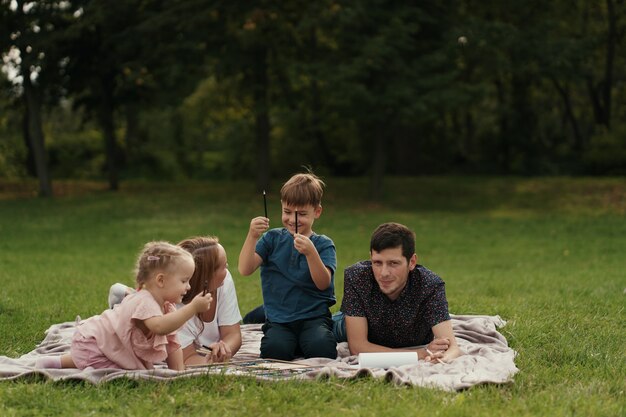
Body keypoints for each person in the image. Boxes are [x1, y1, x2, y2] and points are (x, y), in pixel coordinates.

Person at [36, 241, 213, 371]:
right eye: (184, 281)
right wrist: (193, 308)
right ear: (161, 280)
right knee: (118, 368)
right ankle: (58, 362)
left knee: (111, 359)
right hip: (95, 342)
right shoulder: (144, 301)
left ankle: (55, 362)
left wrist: (178, 374)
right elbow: (159, 327)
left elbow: (173, 344)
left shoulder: (166, 307)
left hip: (108, 346)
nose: (189, 287)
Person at [238, 172, 337, 360]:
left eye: (302, 214)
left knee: (322, 349)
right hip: (279, 319)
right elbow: (245, 269)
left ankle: (302, 342)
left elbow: (323, 283)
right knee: (275, 352)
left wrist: (311, 253)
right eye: (287, 212)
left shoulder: (323, 244)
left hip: (314, 317)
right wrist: (252, 236)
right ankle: (291, 341)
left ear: (317, 212)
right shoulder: (271, 239)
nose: (293, 219)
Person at [339, 222, 463, 363]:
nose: (384, 273)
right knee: (327, 334)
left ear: (412, 262)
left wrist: (441, 358)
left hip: (403, 339)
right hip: (351, 324)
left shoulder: (430, 285)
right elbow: (357, 348)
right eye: (377, 263)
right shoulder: (356, 277)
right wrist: (421, 354)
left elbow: (453, 348)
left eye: (393, 263)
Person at [108, 236, 243, 364]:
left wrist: (224, 349)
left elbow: (233, 334)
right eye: (224, 266)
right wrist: (214, 364)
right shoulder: (172, 304)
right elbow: (186, 359)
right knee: (145, 309)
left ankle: (130, 295)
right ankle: (127, 299)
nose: (228, 269)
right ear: (205, 278)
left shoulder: (223, 280)